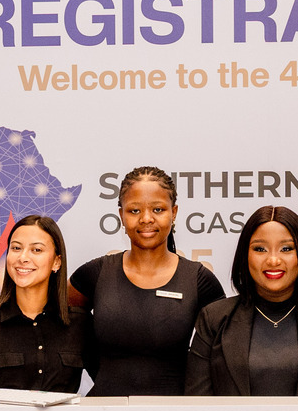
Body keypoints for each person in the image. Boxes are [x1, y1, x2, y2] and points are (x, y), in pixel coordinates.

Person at [69, 166, 225, 396]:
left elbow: (221, 355)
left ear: (174, 212)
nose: (146, 219)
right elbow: (63, 326)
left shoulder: (199, 280)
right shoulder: (95, 274)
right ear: (121, 215)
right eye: (134, 211)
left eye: (158, 209)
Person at [185, 205, 298, 396]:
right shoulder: (213, 318)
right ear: (245, 255)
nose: (273, 260)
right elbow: (197, 404)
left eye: (286, 249)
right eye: (260, 249)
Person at [0, 215, 87, 396]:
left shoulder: (80, 324)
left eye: (36, 250)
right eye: (16, 248)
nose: (23, 258)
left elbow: (110, 380)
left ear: (56, 262)